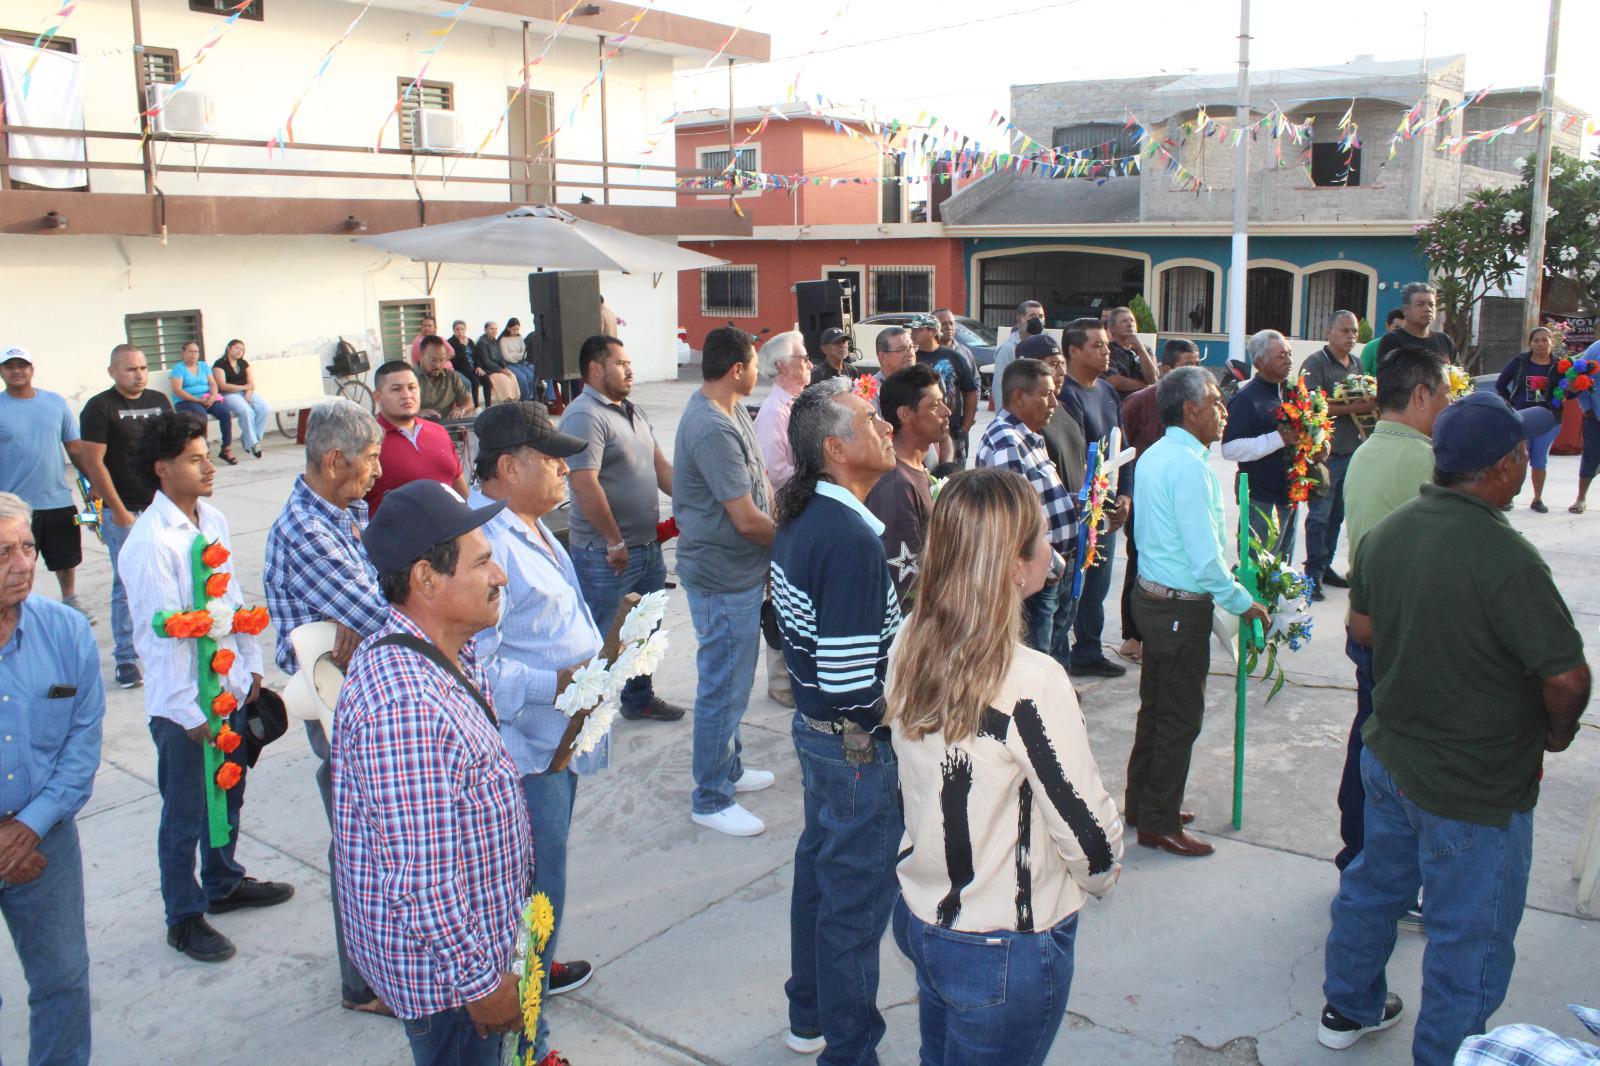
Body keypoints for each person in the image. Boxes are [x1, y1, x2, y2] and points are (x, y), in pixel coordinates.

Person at [1319, 392, 1588, 1063]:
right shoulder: (1509, 560)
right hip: (1475, 787)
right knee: (1469, 938)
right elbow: (1566, 679)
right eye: (1522, 452)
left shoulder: (1389, 534)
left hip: (1390, 761)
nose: (1528, 462)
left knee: (1373, 889)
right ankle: (1448, 1055)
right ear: (1501, 468)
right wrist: (1555, 735)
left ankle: (1346, 1008)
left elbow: (1363, 631)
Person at [886, 468, 1123, 1066]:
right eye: (1042, 536)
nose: (1053, 548)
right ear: (1016, 567)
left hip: (922, 916)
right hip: (1003, 946)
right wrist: (1098, 879)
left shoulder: (909, 640)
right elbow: (1088, 837)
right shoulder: (1032, 680)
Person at [332, 480, 528, 1066]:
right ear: (425, 579)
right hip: (450, 987)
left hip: (470, 958)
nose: (501, 577)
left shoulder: (445, 654)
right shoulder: (407, 708)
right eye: (484, 562)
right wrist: (483, 987)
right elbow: (423, 885)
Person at [121, 411, 292, 963]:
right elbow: (160, 635)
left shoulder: (211, 517)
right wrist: (183, 710)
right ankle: (184, 916)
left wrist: (250, 666)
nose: (209, 465)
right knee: (186, 811)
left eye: (208, 453)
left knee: (231, 788)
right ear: (162, 469)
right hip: (186, 709)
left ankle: (223, 882)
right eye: (195, 459)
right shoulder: (150, 543)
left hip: (228, 689)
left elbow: (231, 600)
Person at [472, 402, 609, 1065]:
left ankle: (534, 996)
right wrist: (560, 684)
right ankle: (531, 1046)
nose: (564, 468)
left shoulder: (527, 524)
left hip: (555, 746)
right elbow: (479, 670)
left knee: (540, 898)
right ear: (507, 466)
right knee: (530, 906)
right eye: (550, 458)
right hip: (525, 755)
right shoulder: (485, 544)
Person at [770, 379, 902, 1063]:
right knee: (853, 904)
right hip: (852, 749)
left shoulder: (811, 518)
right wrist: (904, 721)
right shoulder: (847, 537)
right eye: (868, 420)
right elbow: (854, 684)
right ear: (834, 448)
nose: (882, 426)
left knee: (821, 873)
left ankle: (810, 1012)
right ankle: (849, 1051)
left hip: (819, 737)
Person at [262, 398, 392, 1016]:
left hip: (362, 690)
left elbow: (381, 589)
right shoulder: (308, 531)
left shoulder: (345, 512)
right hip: (338, 706)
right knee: (361, 846)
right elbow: (385, 615)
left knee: (379, 839)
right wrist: (365, 614)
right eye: (369, 460)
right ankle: (362, 983)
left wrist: (368, 607)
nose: (377, 472)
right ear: (334, 460)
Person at [1128, 367, 1272, 858]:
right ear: (1190, 410)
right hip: (1177, 608)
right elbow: (1205, 559)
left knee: (1156, 707)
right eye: (1216, 401)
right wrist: (1242, 601)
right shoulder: (1189, 465)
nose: (1224, 410)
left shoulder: (1157, 454)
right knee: (1178, 717)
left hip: (1152, 598)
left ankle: (1144, 801)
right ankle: (1158, 820)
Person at [1333, 350, 1450, 875]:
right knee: (1392, 753)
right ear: (1421, 395)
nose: (1446, 405)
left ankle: (1356, 847)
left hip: (1369, 620)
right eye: (1444, 394)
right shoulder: (1425, 461)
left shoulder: (1367, 450)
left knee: (1369, 731)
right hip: (1402, 633)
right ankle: (1374, 862)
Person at [0, 491, 104, 1066]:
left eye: (29, 548)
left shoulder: (66, 632)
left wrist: (30, 829)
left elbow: (81, 744)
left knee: (63, 981)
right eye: (3, 553)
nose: (23, 565)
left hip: (46, 840)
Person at [672, 327, 776, 837]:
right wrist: (796, 548)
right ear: (738, 368)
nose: (761, 374)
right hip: (721, 577)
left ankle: (729, 768)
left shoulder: (732, 411)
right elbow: (747, 519)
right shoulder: (711, 426)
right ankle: (711, 797)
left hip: (741, 572)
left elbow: (760, 489)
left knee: (734, 682)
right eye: (757, 364)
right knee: (723, 686)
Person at [559, 335, 683, 724]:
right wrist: (614, 540)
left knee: (645, 629)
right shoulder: (584, 415)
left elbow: (660, 467)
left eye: (630, 362)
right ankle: (586, 714)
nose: (630, 369)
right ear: (595, 369)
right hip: (606, 553)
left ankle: (638, 698)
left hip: (646, 548)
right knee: (603, 636)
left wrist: (699, 501)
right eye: (620, 363)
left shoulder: (632, 409)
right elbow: (583, 482)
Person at [78, 343, 173, 689]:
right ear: (113, 372)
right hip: (125, 511)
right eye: (131, 369)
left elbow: (171, 452)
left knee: (169, 578)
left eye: (143, 368)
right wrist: (118, 511)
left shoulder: (160, 402)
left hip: (161, 507)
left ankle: (167, 646)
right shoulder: (99, 407)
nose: (139, 375)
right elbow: (93, 462)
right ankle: (126, 658)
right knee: (127, 584)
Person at [976, 360, 1078, 660]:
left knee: (1052, 652)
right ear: (1019, 397)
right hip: (1036, 576)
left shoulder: (1028, 436)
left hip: (1050, 569)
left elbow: (1038, 495)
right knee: (1036, 656)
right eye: (1046, 395)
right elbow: (1017, 519)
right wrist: (1053, 565)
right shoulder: (1007, 439)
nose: (1054, 403)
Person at [1055, 317, 1131, 679]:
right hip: (1083, 507)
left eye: (1107, 345)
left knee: (1098, 585)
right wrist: (1094, 502)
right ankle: (1062, 655)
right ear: (1074, 351)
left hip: (1109, 505)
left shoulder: (1106, 391)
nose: (1107, 352)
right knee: (1074, 587)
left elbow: (1122, 446)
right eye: (1098, 345)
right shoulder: (1065, 396)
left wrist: (1126, 495)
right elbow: (1074, 457)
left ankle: (1089, 648)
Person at [1117, 340, 1200, 664]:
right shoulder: (1140, 402)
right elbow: (1124, 447)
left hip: (1180, 499)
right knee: (1139, 564)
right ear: (1165, 370)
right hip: (1145, 499)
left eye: (1197, 366)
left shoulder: (1198, 405)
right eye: (1185, 366)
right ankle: (1132, 636)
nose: (1194, 374)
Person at [0, 346, 95, 621]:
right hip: (12, 507)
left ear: (32, 369)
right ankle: (14, 609)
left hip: (57, 499)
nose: (17, 371)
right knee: (12, 562)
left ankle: (70, 601)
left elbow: (75, 449)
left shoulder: (55, 403)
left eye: (22, 365)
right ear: (2, 372)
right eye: (10, 366)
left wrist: (94, 482)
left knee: (66, 558)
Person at [1299, 310, 1374, 598]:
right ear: (1329, 332)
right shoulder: (1316, 364)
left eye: (1354, 332)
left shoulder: (1356, 363)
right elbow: (1312, 406)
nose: (1351, 337)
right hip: (1325, 455)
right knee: (1319, 515)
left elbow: (1361, 397)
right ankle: (1313, 574)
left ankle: (1326, 565)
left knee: (1337, 515)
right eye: (1345, 331)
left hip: (1352, 451)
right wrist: (1354, 408)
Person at [866, 364, 946, 607]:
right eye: (934, 406)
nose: (947, 411)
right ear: (905, 414)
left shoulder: (917, 469)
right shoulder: (897, 486)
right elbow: (903, 582)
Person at [1030, 338, 1087, 667]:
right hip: (1044, 563)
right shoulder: (1014, 436)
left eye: (1061, 362)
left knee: (1058, 633)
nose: (1061, 370)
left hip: (1064, 555)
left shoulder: (1057, 409)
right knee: (1040, 643)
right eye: (1052, 363)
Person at [1222, 329, 1299, 560]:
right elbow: (1230, 448)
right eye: (1280, 356)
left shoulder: (1289, 393)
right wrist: (1277, 440)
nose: (1288, 360)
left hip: (1289, 496)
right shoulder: (1247, 399)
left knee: (1280, 573)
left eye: (1289, 354)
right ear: (1259, 362)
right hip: (1262, 499)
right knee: (1257, 572)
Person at [365, 360, 469, 514]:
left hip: (451, 529)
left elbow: (462, 492)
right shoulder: (366, 441)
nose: (406, 395)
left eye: (412, 388)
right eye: (396, 389)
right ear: (377, 397)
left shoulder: (439, 432)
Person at [1493, 326, 1563, 513]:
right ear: (1530, 343)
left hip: (1549, 419)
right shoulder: (1520, 362)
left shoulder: (1560, 366)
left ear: (1551, 342)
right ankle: (1508, 497)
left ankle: (1537, 499)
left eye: (1545, 340)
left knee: (1539, 459)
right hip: (1522, 418)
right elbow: (1501, 384)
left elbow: (1568, 394)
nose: (1541, 344)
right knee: (1518, 458)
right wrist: (1511, 404)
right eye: (1536, 340)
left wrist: (1570, 390)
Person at [909, 314, 978, 466]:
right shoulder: (911, 358)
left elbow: (970, 392)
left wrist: (965, 427)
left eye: (917, 330)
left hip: (952, 431)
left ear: (932, 332)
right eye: (912, 330)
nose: (912, 334)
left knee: (955, 479)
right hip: (922, 434)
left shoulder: (954, 357)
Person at [754, 331, 812, 492]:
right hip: (785, 507)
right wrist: (819, 477)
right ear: (781, 365)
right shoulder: (774, 413)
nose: (811, 365)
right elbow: (775, 473)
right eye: (804, 359)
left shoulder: (795, 404)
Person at [170, 341, 237, 465]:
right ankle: (204, 452)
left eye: (196, 352)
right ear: (183, 354)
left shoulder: (203, 366)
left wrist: (212, 397)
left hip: (207, 399)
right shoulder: (178, 368)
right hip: (186, 401)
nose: (194, 354)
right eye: (190, 352)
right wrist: (197, 400)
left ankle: (226, 449)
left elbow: (213, 384)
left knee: (224, 413)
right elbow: (178, 390)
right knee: (201, 417)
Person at [934, 308, 982, 465]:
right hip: (933, 429)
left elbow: (974, 385)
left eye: (951, 323)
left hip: (957, 427)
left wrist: (967, 423)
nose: (948, 327)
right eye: (943, 324)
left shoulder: (964, 353)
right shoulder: (925, 354)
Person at [210, 339, 272, 459]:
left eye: (242, 349)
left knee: (264, 408)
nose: (240, 351)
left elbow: (251, 384)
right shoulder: (219, 364)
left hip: (246, 393)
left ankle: (248, 438)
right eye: (237, 348)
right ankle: (254, 443)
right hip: (228, 394)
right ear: (229, 348)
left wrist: (248, 394)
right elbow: (223, 386)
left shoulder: (243, 364)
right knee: (246, 411)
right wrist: (244, 387)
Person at [1373, 282, 1456, 372]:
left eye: (1431, 305)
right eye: (1420, 304)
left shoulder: (1445, 341)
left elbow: (1458, 376)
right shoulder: (1392, 341)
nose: (1427, 309)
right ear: (1405, 310)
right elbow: (1387, 378)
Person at [990, 300, 1045, 399]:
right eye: (1032, 316)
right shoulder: (1008, 349)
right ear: (1020, 320)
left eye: (1041, 316)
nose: (1038, 321)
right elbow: (999, 386)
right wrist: (1003, 413)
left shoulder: (1047, 346)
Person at [1571, 338, 1600, 515]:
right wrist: (1587, 408)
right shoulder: (1595, 350)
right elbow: (1579, 381)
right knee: (1590, 457)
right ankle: (1581, 498)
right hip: (1596, 417)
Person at [1103, 306, 1159, 396]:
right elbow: (1115, 381)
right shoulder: (1107, 350)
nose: (1130, 324)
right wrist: (1146, 386)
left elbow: (1153, 378)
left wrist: (1140, 348)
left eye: (1132, 320)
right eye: (1124, 321)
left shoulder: (1146, 350)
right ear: (1112, 328)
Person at [416, 335, 474, 420]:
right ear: (421, 356)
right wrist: (418, 413)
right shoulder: (408, 379)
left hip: (447, 428)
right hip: (419, 428)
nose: (438, 365)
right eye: (433, 360)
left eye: (442, 360)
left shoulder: (451, 377)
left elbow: (468, 401)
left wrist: (460, 410)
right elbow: (395, 412)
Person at [475, 320, 520, 404]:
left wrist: (504, 366)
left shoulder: (495, 341)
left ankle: (514, 399)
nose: (494, 331)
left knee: (512, 375)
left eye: (495, 329)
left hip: (497, 368)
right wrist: (501, 370)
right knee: (503, 379)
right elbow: (485, 361)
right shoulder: (482, 342)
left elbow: (500, 357)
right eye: (491, 329)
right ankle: (506, 400)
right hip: (488, 369)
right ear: (485, 330)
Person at [870, 326, 916, 399]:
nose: (910, 353)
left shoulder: (922, 384)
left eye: (911, 346)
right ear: (883, 357)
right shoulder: (867, 391)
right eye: (901, 349)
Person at [1359, 307, 1406, 376]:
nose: (1400, 332)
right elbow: (1360, 375)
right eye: (1396, 327)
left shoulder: (1410, 350)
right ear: (1387, 326)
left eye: (1404, 329)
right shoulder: (1371, 347)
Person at [500, 318, 537, 399]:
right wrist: (518, 356)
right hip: (510, 364)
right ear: (508, 328)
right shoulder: (503, 340)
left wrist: (513, 354)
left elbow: (524, 354)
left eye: (517, 329)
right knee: (522, 377)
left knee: (532, 375)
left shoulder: (519, 338)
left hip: (521, 362)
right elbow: (506, 357)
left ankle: (533, 396)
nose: (516, 331)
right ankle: (525, 398)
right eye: (513, 329)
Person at [447, 320, 481, 407]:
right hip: (460, 368)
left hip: (472, 367)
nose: (460, 332)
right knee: (474, 381)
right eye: (457, 330)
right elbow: (456, 360)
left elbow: (476, 355)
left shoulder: (469, 341)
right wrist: (462, 346)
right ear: (453, 330)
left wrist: (478, 366)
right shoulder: (450, 342)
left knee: (486, 380)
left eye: (462, 329)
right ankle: (474, 405)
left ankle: (486, 406)